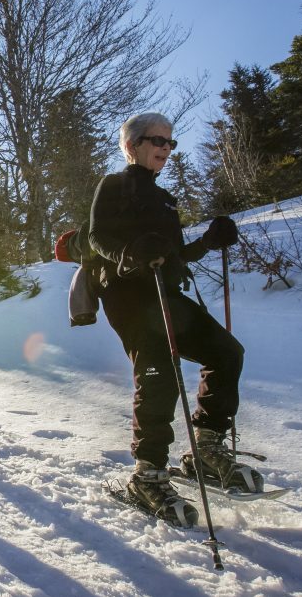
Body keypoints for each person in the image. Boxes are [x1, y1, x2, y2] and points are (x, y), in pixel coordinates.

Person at [88, 112, 262, 526]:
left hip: (166, 294)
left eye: (170, 142)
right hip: (128, 295)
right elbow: (97, 236)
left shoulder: (165, 200)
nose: (165, 148)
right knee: (160, 374)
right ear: (131, 145)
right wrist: (131, 253)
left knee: (226, 352)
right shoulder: (113, 185)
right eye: (156, 140)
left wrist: (209, 240)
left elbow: (174, 257)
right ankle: (147, 475)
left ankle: (207, 449)